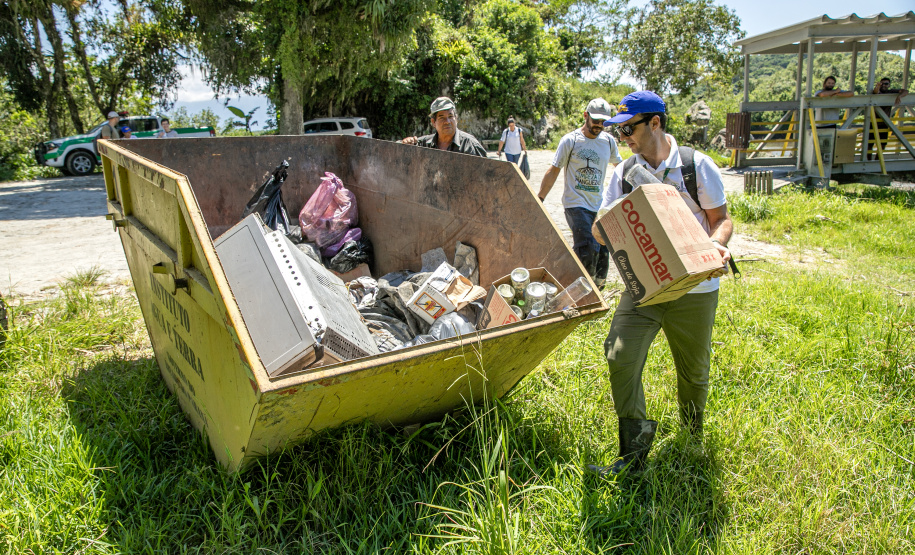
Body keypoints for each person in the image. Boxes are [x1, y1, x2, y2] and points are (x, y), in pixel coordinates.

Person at [586, 91, 733, 477]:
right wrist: (603, 229)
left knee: (694, 370)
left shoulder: (696, 166)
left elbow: (721, 219)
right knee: (620, 355)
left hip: (695, 291)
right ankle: (633, 457)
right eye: (619, 133)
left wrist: (716, 246)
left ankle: (692, 437)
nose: (624, 139)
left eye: (629, 129)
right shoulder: (622, 174)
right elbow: (601, 228)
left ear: (655, 123)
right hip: (645, 289)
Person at [537, 98, 622, 287]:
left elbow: (621, 168)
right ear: (586, 115)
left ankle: (598, 289)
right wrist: (540, 198)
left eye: (604, 122)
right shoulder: (571, 140)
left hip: (598, 204)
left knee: (602, 247)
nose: (600, 125)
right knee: (587, 246)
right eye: (596, 120)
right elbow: (554, 170)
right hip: (575, 204)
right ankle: (579, 289)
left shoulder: (608, 142)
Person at [400, 97, 488, 157]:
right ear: (433, 122)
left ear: (456, 119)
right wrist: (406, 144)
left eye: (450, 116)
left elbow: (488, 176)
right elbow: (396, 153)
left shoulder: (470, 145)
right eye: (442, 118)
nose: (447, 122)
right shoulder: (424, 144)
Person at [868, 77, 909, 160]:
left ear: (889, 85)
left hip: (884, 122)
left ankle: (877, 160)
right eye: (882, 83)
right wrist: (877, 86)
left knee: (883, 144)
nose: (884, 85)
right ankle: (868, 160)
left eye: (886, 84)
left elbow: (906, 91)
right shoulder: (877, 91)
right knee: (869, 144)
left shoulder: (891, 92)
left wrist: (899, 96)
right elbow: (876, 92)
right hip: (873, 121)